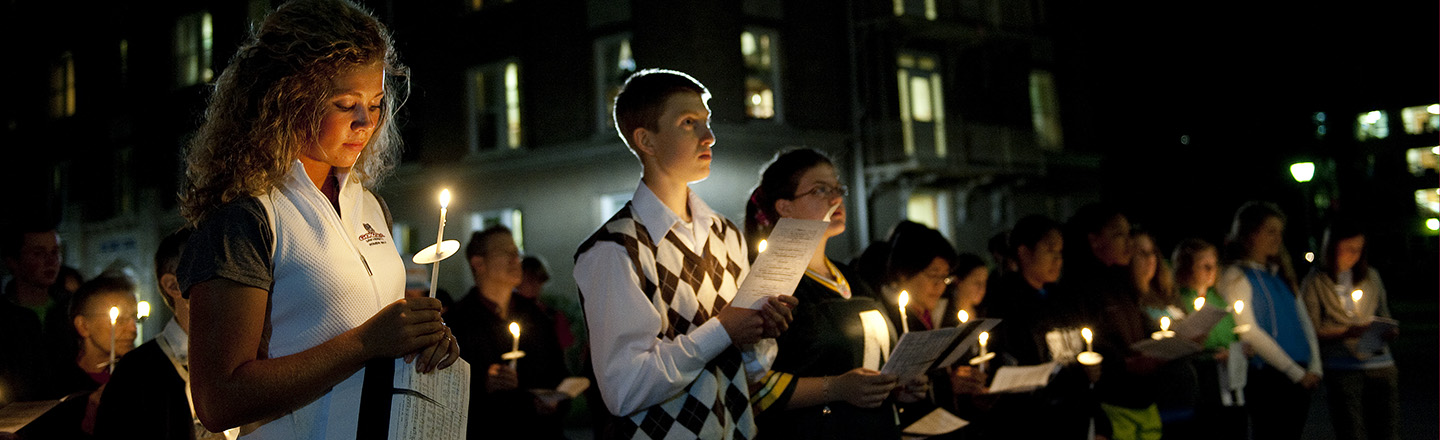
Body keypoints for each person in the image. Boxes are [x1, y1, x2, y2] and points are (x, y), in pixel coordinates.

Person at [175, 1, 458, 436]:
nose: (366, 122)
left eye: (377, 103)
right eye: (346, 104)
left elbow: (380, 338)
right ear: (287, 101)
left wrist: (420, 342)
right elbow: (218, 400)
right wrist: (367, 342)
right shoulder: (247, 216)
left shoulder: (369, 206)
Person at [573, 68, 795, 439]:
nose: (709, 136)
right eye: (688, 122)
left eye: (706, 122)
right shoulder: (613, 250)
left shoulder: (725, 234)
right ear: (646, 140)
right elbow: (625, 389)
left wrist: (760, 331)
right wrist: (723, 329)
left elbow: (751, 371)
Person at [743, 148, 925, 439]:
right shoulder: (769, 283)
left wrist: (896, 388)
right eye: (820, 190)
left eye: (837, 188)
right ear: (784, 207)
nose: (835, 198)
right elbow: (751, 386)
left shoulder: (853, 278)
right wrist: (836, 388)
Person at [94, 228, 238, 440]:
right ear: (173, 285)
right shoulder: (137, 373)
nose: (233, 274)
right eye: (214, 264)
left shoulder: (253, 351)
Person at [978, 214, 1109, 440]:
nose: (1058, 259)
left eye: (1060, 252)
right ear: (1024, 252)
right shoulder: (1004, 307)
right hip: (1034, 424)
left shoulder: (1065, 300)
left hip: (1076, 419)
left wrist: (1099, 421)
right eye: (1050, 251)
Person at [448, 226, 568, 439]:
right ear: (478, 263)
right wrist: (482, 384)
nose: (516, 259)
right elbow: (447, 392)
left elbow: (557, 372)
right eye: (506, 253)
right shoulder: (456, 323)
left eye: (517, 252)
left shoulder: (536, 316)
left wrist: (554, 401)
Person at [1216, 201, 1320, 440]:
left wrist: (1314, 366)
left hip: (1300, 372)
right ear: (1250, 234)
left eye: (1280, 232)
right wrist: (1296, 373)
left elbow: (1304, 323)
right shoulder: (1236, 275)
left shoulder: (1280, 276)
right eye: (1270, 231)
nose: (1278, 238)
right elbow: (1249, 330)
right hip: (1269, 377)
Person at [1061, 204, 1161, 440]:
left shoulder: (1123, 283)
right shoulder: (1079, 290)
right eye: (1119, 235)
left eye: (1129, 234)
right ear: (1095, 241)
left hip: (1142, 400)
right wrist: (1123, 363)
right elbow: (1086, 342)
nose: (1129, 243)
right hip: (1111, 404)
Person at [1299, 217, 1399, 440]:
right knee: (1351, 431)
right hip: (1342, 366)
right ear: (1331, 248)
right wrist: (1346, 332)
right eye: (1347, 249)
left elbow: (1384, 315)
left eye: (1358, 250)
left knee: (1387, 431)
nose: (1353, 256)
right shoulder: (1316, 281)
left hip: (1381, 364)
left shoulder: (1371, 276)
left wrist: (1388, 330)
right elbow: (1310, 329)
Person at [1171, 238, 1247, 439]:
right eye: (1205, 267)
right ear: (1187, 267)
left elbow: (1232, 333)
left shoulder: (1218, 300)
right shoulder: (1178, 300)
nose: (1211, 272)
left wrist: (1239, 349)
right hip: (1202, 381)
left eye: (1214, 266)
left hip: (1228, 377)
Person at [0, 221, 75, 404]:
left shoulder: (72, 309)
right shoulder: (4, 316)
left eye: (55, 252)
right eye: (38, 253)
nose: (51, 261)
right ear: (13, 262)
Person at [66, 275, 140, 436]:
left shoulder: (141, 376)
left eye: (135, 317)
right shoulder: (60, 385)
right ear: (83, 326)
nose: (133, 329)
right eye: (120, 319)